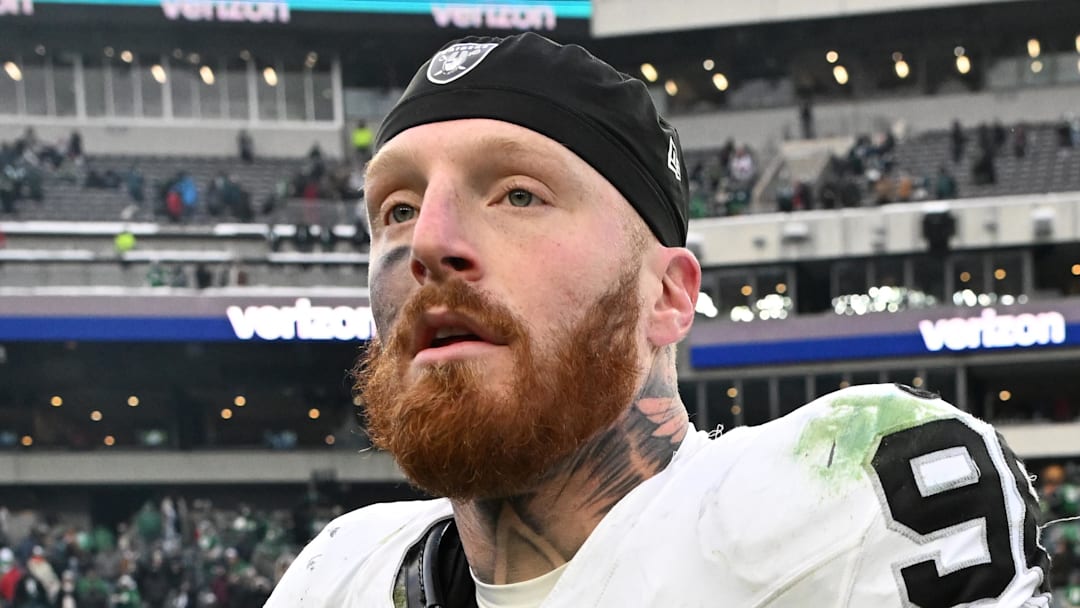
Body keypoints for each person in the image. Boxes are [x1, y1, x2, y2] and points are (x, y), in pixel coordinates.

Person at [265, 33, 1051, 607]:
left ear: (669, 298)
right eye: (396, 209)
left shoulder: (835, 495)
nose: (428, 243)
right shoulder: (336, 574)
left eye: (517, 195)